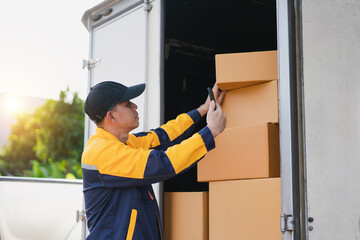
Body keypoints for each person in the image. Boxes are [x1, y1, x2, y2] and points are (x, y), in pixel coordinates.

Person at [82, 81, 226, 240]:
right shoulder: (102, 153)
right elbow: (162, 163)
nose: (135, 106)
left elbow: (163, 136)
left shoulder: (124, 143)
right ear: (111, 115)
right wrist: (210, 131)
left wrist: (202, 110)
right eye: (128, 104)